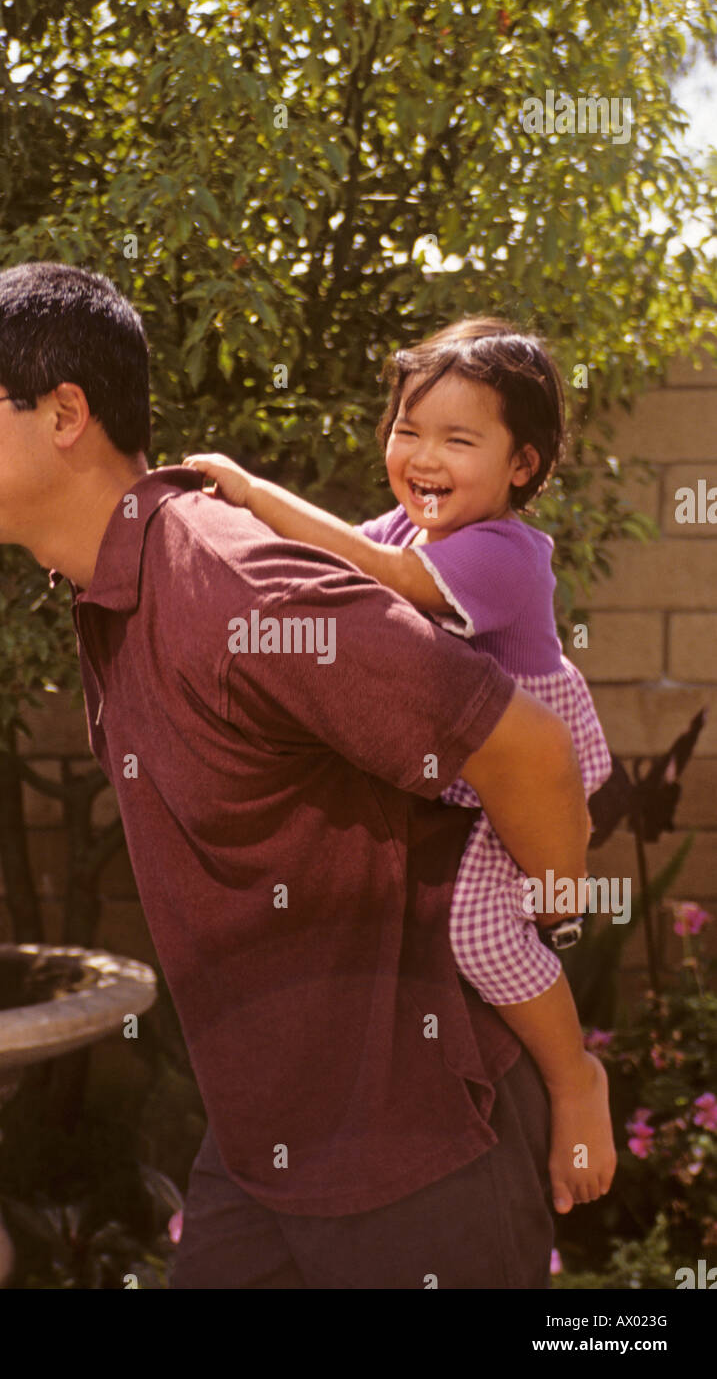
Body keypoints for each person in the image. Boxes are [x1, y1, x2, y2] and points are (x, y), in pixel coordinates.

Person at [0, 263, 594, 1289]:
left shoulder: (232, 588)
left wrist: (549, 941)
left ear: (63, 413)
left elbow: (532, 751)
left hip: (417, 1161)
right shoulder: (121, 587)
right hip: (260, 1151)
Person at [184, 316, 617, 1219]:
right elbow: (327, 558)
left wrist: (253, 492)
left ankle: (575, 1075)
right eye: (408, 430)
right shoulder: (413, 525)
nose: (423, 455)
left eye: (458, 439)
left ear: (522, 466)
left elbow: (374, 572)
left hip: (524, 762)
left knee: (483, 935)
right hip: (467, 760)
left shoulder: (501, 554)